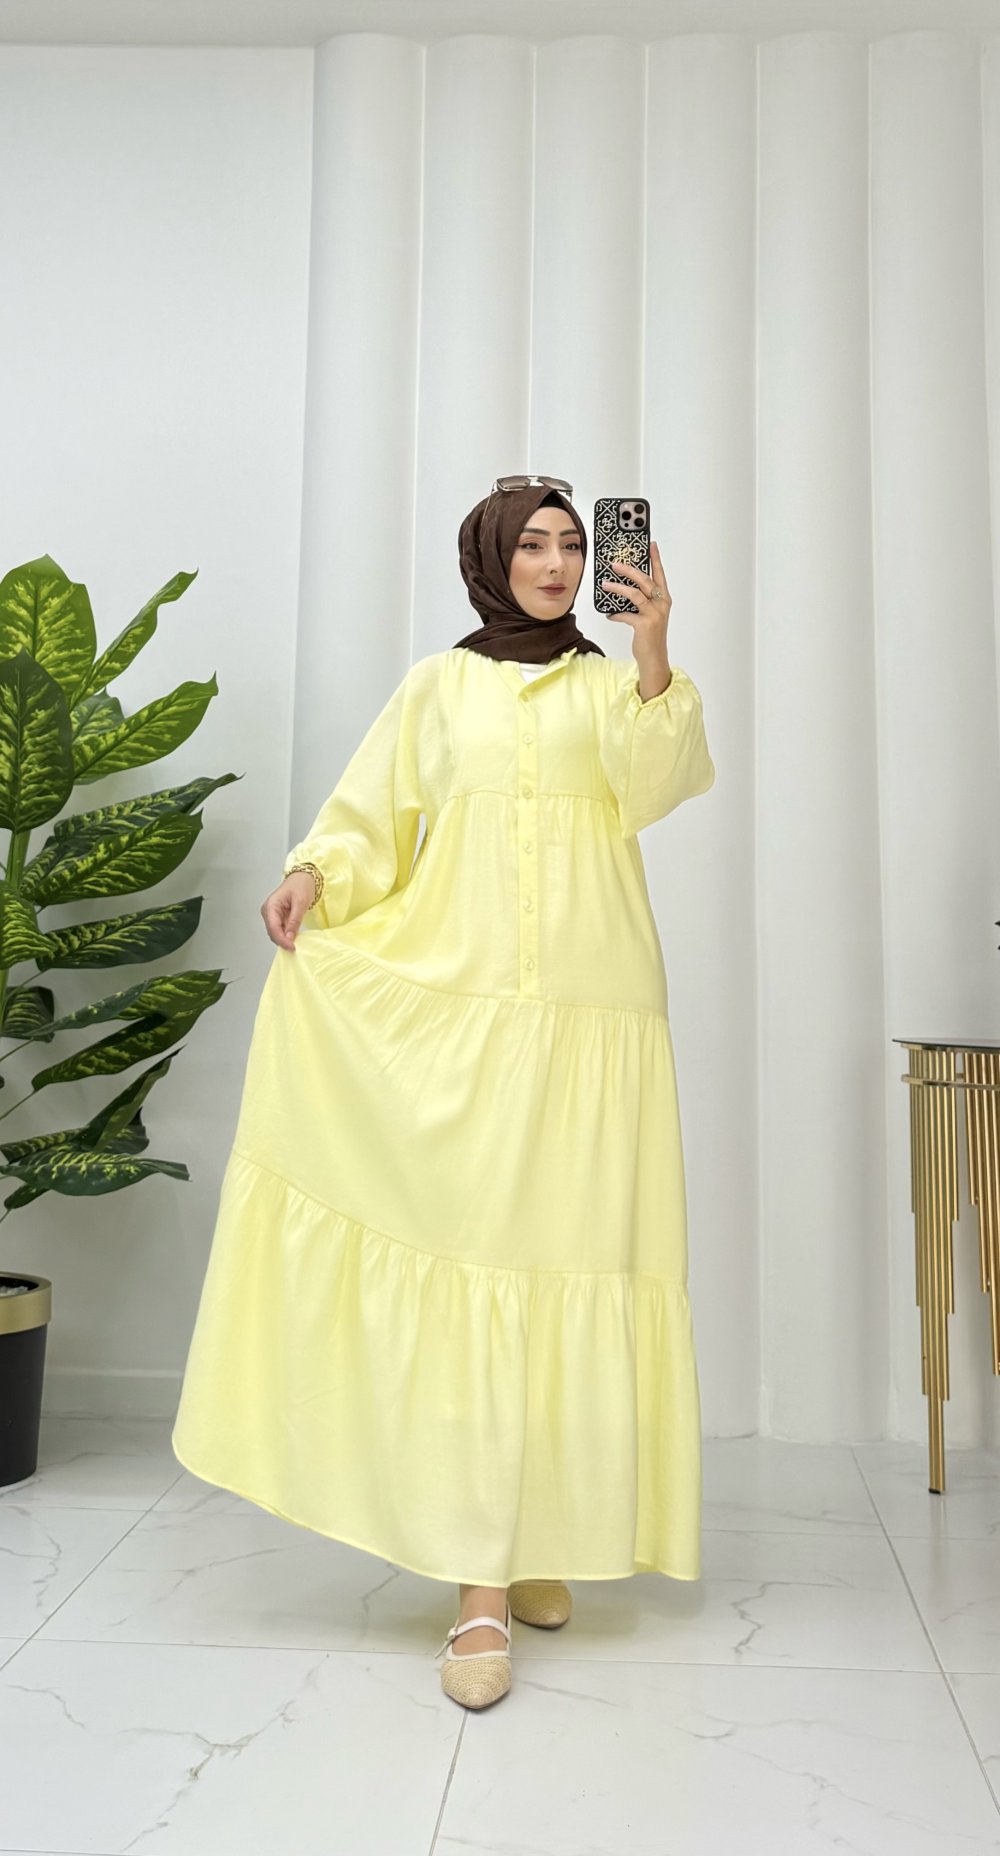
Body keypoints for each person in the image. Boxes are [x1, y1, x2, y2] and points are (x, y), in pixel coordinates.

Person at [170, 474, 716, 1713]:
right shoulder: (439, 684)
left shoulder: (610, 686)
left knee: (570, 1255)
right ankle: (479, 1581)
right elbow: (375, 814)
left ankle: (535, 1534)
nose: (557, 562)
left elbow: (656, 785)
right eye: (533, 544)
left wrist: (650, 643)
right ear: (489, 558)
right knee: (479, 1258)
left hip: (595, 1007)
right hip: (465, 1005)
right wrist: (316, 873)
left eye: (572, 544)